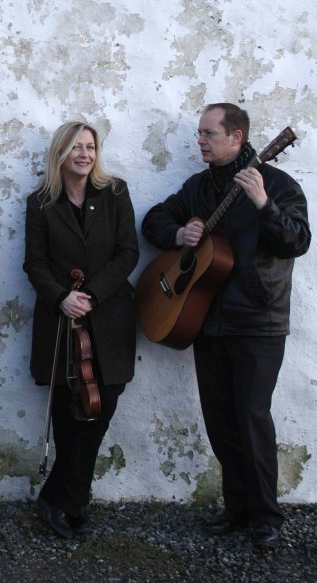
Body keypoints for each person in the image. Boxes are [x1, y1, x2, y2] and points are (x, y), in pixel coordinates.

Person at [142, 103, 310, 548]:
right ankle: (237, 509)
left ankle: (266, 515)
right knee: (220, 421)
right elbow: (154, 219)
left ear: (237, 137)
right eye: (199, 133)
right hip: (206, 320)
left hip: (258, 321)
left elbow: (297, 241)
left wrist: (263, 204)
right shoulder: (199, 188)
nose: (199, 141)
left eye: (208, 134)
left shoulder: (277, 184)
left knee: (251, 417)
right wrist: (179, 234)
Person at [23, 121, 138, 538]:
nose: (84, 155)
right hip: (60, 322)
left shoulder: (115, 193)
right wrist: (62, 298)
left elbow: (128, 253)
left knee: (101, 409)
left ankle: (60, 497)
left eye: (90, 147)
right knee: (67, 414)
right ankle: (70, 502)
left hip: (108, 318)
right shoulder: (41, 203)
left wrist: (91, 294)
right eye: (76, 147)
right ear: (61, 153)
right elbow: (34, 263)